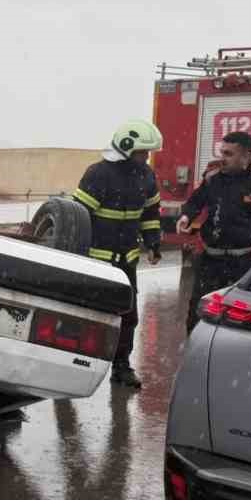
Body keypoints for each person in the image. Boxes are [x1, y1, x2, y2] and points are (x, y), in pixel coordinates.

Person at [73, 118, 164, 390]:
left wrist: (154, 243)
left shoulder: (146, 176)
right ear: (126, 148)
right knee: (86, 314)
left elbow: (150, 214)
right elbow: (80, 216)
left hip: (128, 262)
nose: (146, 157)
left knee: (128, 317)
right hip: (96, 261)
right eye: (142, 152)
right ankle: (75, 364)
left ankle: (121, 367)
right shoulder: (98, 174)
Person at [176, 129, 251, 333]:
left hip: (244, 261)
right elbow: (197, 199)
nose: (223, 158)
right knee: (198, 313)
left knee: (240, 316)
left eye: (229, 154)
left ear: (246, 156)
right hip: (210, 258)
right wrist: (186, 216)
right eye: (222, 152)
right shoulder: (212, 174)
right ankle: (194, 355)